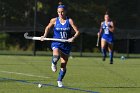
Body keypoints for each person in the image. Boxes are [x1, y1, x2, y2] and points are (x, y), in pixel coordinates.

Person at [41, 2, 80, 87]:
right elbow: (47, 27)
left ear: (65, 11)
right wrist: (44, 35)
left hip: (66, 45)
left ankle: (59, 80)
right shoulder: (54, 20)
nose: (60, 14)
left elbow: (77, 32)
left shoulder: (69, 21)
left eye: (62, 12)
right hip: (56, 42)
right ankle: (53, 63)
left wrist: (73, 38)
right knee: (56, 55)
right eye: (59, 12)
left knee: (63, 65)